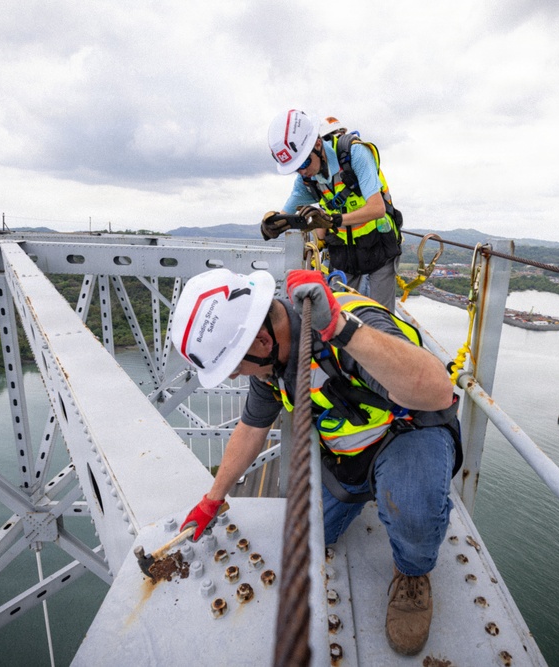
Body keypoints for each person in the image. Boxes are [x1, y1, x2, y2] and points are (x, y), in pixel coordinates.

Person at [172, 267, 460, 656]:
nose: (239, 377)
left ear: (260, 341)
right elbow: (251, 428)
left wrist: (340, 329)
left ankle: (412, 571)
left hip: (408, 431)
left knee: (410, 504)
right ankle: (370, 489)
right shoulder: (272, 364)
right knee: (313, 534)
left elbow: (439, 391)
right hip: (353, 452)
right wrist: (213, 498)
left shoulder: (354, 329)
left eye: (238, 367)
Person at [261, 109, 403, 311]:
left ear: (318, 144)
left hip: (379, 247)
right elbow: (286, 215)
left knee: (380, 316)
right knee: (340, 316)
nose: (302, 171)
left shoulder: (355, 154)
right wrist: (272, 224)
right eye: (296, 168)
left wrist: (332, 221)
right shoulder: (306, 180)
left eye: (304, 162)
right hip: (346, 253)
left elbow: (377, 208)